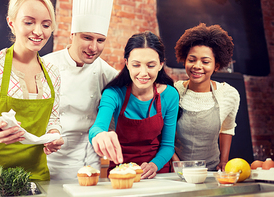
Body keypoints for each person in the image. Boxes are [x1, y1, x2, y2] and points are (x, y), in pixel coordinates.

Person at [0, 0, 64, 184]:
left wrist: (54, 135)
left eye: (46, 24)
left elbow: (53, 119)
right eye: (29, 22)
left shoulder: (52, 72)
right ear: (12, 23)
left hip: (35, 178)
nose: (39, 31)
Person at [42, 0, 118, 180]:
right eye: (87, 38)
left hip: (89, 164)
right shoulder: (46, 65)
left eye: (100, 40)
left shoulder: (107, 73)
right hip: (48, 162)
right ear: (73, 34)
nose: (94, 47)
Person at [89, 31, 179, 179]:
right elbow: (97, 127)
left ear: (161, 65)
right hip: (121, 172)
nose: (143, 73)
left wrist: (154, 165)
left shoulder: (170, 95)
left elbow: (168, 145)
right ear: (127, 64)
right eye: (136, 65)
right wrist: (99, 135)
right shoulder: (114, 93)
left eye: (151, 65)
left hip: (157, 173)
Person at [172, 23, 240, 171]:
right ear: (184, 60)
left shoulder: (228, 94)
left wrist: (224, 161)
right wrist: (176, 165)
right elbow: (163, 133)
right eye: (192, 60)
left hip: (212, 172)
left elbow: (227, 128)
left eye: (205, 61)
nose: (197, 66)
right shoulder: (173, 92)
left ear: (216, 65)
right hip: (176, 172)